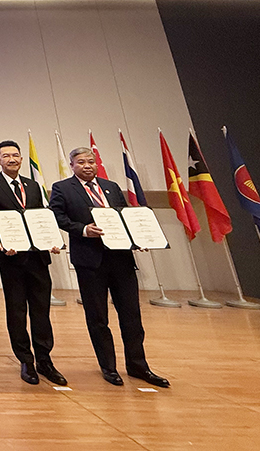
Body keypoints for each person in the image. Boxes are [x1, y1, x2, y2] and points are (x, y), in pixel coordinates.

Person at [49, 146, 170, 388]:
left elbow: (125, 216)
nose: (87, 166)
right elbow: (57, 217)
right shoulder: (62, 188)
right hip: (90, 261)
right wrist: (83, 230)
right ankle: (109, 367)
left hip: (122, 259)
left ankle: (138, 366)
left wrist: (138, 239)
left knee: (132, 315)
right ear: (72, 165)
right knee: (98, 317)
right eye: (81, 162)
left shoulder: (111, 187)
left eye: (91, 161)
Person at [0, 140, 67, 386]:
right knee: (17, 311)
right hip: (11, 258)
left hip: (38, 257)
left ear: (20, 159)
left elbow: (43, 217)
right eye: (6, 156)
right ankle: (25, 360)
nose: (12, 159)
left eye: (15, 155)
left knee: (41, 311)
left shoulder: (33, 185)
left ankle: (45, 360)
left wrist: (52, 239)